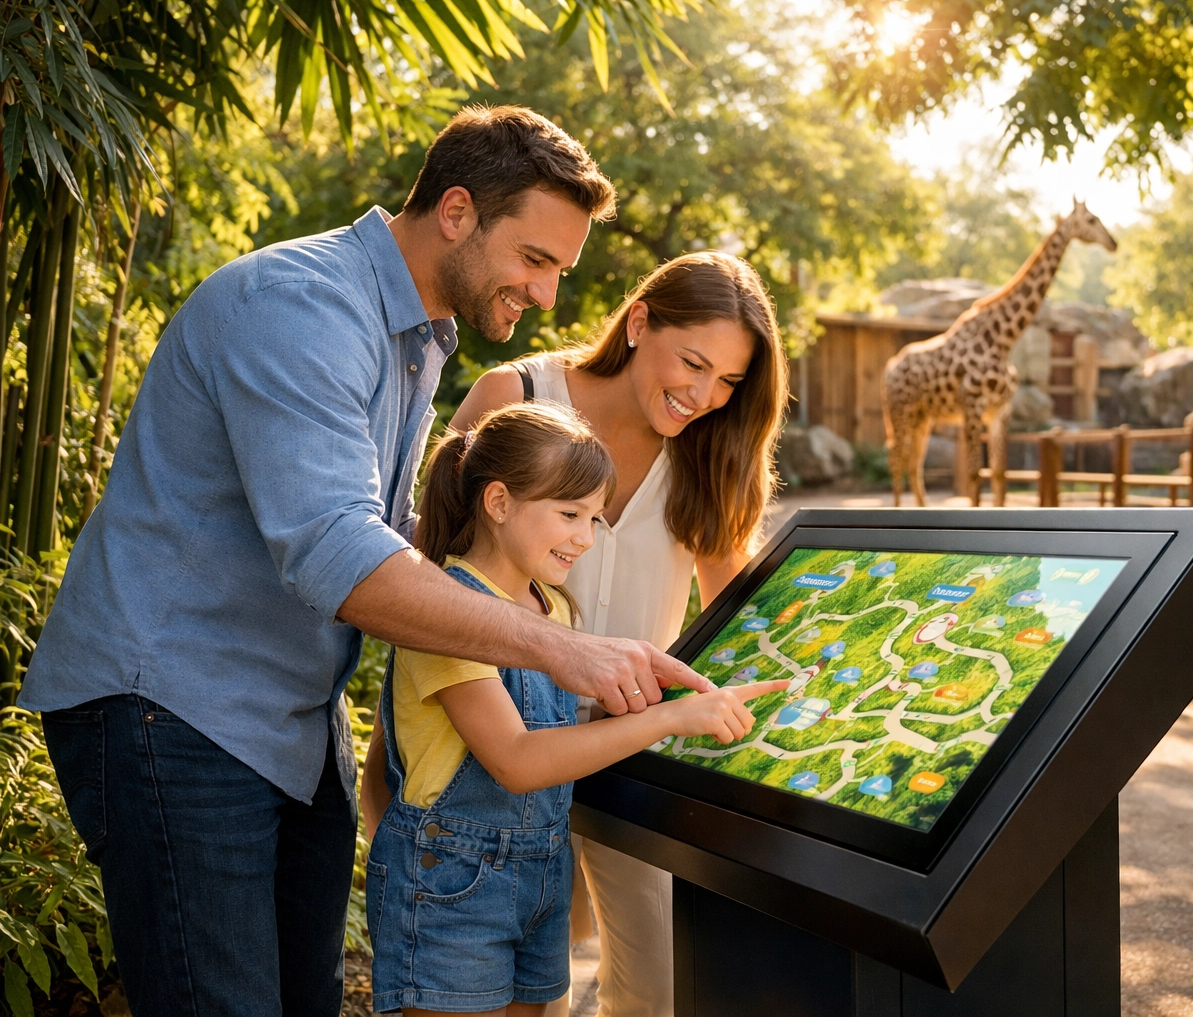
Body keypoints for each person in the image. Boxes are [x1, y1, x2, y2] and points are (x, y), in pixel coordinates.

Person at [18, 105, 714, 1017]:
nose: (548, 295)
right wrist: (559, 649)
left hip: (290, 724)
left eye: (560, 270)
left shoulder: (418, 336)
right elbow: (339, 553)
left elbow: (401, 535)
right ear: (456, 213)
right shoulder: (302, 306)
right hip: (175, 710)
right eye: (536, 261)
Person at [362, 401, 786, 1016]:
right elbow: (516, 759)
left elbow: (553, 729)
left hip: (539, 877)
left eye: (594, 517)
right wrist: (664, 720)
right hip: (451, 884)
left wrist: (661, 697)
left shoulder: (551, 608)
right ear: (499, 502)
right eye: (569, 514)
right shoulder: (447, 611)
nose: (585, 538)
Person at [450, 251, 789, 1017]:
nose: (705, 396)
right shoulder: (517, 396)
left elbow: (733, 612)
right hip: (497, 741)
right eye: (693, 363)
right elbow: (437, 580)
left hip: (633, 749)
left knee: (659, 987)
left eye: (730, 382)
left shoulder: (708, 449)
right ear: (639, 322)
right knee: (524, 990)